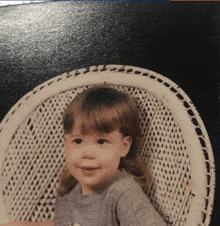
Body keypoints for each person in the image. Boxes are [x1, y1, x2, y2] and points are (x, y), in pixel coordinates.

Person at [1, 86, 166, 226]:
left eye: (101, 142)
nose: (87, 153)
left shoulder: (122, 192)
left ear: (124, 146)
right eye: (78, 141)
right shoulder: (70, 192)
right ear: (66, 144)